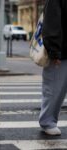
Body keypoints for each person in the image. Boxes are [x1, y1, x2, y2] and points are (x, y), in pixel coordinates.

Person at [39, 0, 67, 136]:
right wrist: (54, 51)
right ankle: (47, 121)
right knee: (55, 89)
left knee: (56, 88)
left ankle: (48, 121)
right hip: (61, 52)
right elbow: (51, 22)